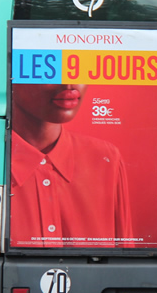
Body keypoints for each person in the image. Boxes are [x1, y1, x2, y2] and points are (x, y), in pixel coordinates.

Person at [9, 83, 134, 248]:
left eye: (78, 63)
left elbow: (124, 263)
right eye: (48, 63)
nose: (69, 83)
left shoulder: (106, 159)